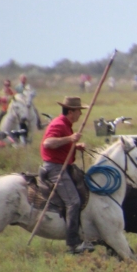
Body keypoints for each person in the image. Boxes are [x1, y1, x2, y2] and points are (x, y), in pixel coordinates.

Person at [40, 96, 92, 255]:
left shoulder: (66, 124)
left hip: (64, 165)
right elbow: (48, 143)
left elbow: (61, 145)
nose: (80, 115)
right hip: (55, 168)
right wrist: (70, 138)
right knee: (74, 202)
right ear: (71, 111)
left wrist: (75, 146)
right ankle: (73, 244)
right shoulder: (59, 124)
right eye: (78, 111)